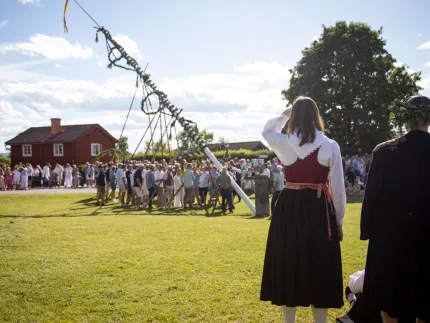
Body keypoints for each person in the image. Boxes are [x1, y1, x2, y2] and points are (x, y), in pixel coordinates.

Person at [260, 96, 346, 323]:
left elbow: (267, 130)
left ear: (294, 116)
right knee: (320, 264)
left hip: (289, 209)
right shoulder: (329, 145)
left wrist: (285, 115)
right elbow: (337, 189)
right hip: (318, 209)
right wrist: (338, 222)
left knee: (290, 262)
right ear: (316, 116)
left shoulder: (285, 142)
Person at [360, 95, 430, 323]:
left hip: (390, 241)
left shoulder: (385, 151)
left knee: (389, 304)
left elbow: (371, 197)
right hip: (426, 238)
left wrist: (368, 230)